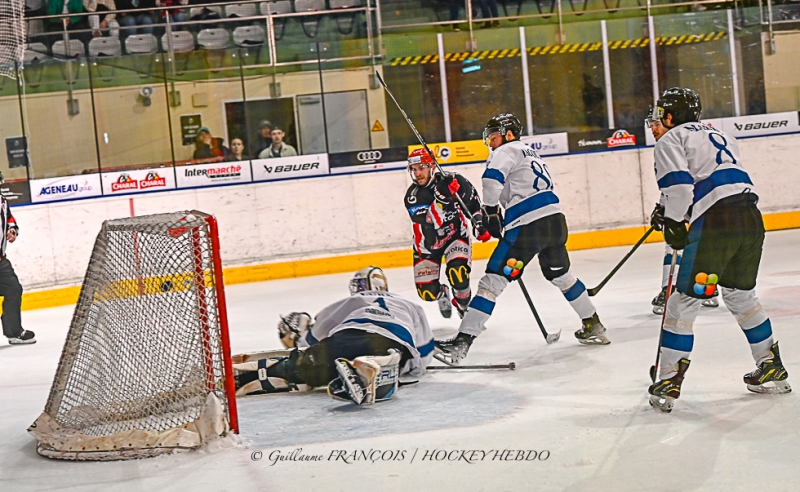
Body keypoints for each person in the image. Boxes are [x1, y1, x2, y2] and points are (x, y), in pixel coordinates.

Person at [647, 87, 791, 413]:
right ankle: (769, 363)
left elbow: (681, 188)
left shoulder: (670, 139)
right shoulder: (719, 133)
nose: (656, 122)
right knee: (741, 296)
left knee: (683, 302)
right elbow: (708, 174)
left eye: (659, 115)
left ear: (670, 116)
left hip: (716, 224)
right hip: (750, 218)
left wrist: (672, 221)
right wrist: (665, 206)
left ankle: (669, 379)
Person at [436, 113, 610, 364]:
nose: (490, 143)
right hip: (555, 223)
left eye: (494, 137)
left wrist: (492, 212)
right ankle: (593, 324)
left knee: (492, 282)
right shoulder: (530, 152)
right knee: (562, 276)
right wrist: (495, 216)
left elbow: (491, 179)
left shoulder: (506, 150)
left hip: (528, 227)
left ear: (508, 134)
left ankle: (461, 344)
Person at [232, 267, 435, 405]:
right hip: (396, 342)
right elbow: (425, 351)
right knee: (391, 355)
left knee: (308, 366)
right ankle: (381, 363)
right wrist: (410, 368)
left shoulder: (354, 300)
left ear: (361, 286)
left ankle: (248, 375)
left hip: (350, 336)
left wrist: (299, 341)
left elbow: (314, 336)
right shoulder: (411, 305)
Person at [645, 107, 718, 315]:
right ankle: (705, 290)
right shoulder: (685, 141)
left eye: (657, 124)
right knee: (686, 244)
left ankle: (679, 290)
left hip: (702, 201)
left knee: (682, 244)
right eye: (651, 125)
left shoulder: (673, 143)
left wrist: (671, 215)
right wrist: (662, 206)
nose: (653, 129)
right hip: (698, 200)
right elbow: (674, 184)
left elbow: (681, 184)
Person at [404, 147, 489, 320]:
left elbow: (473, 204)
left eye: (421, 168)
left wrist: (479, 222)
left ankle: (464, 307)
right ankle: (442, 293)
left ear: (432, 167)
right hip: (427, 246)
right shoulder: (412, 197)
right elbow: (430, 221)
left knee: (458, 273)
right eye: (414, 169)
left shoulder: (453, 180)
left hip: (455, 236)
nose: (418, 173)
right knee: (427, 293)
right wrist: (442, 199)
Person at [0, 173, 34, 345]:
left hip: (1, 262)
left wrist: (13, 229)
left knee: (14, 289)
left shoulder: (2, 200)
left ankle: (14, 332)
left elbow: (10, 219)